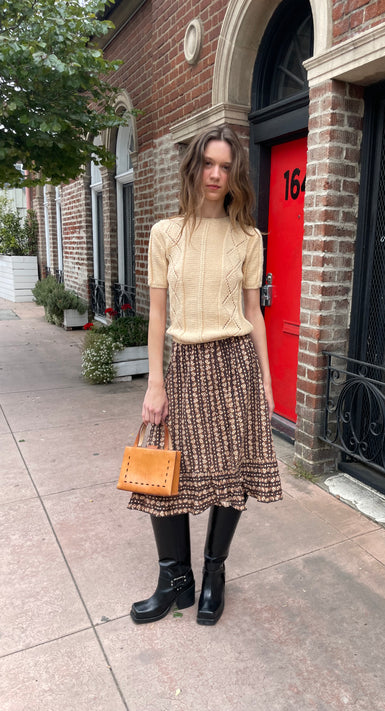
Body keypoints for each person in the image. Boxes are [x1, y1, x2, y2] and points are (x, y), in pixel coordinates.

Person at [128, 124, 283, 626]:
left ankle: (214, 572)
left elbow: (254, 313)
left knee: (232, 473)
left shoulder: (248, 238)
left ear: (234, 174)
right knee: (164, 472)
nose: (216, 174)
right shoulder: (165, 233)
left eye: (225, 166)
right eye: (208, 164)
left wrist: (266, 380)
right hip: (185, 364)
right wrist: (156, 382)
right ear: (193, 168)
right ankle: (176, 580)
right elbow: (156, 314)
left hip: (235, 362)